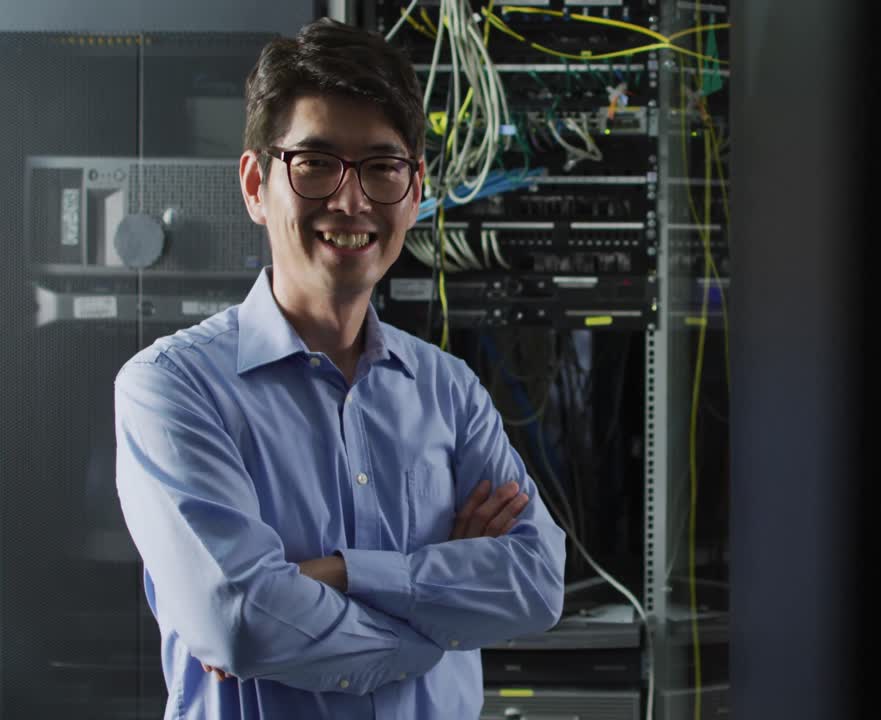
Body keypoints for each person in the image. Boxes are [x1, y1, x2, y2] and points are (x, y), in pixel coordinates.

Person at [114, 18, 566, 719]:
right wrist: (431, 626)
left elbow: (535, 583)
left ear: (414, 192)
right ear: (256, 185)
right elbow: (241, 621)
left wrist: (333, 576)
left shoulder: (449, 392)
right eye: (316, 163)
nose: (351, 201)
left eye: (382, 168)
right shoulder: (172, 389)